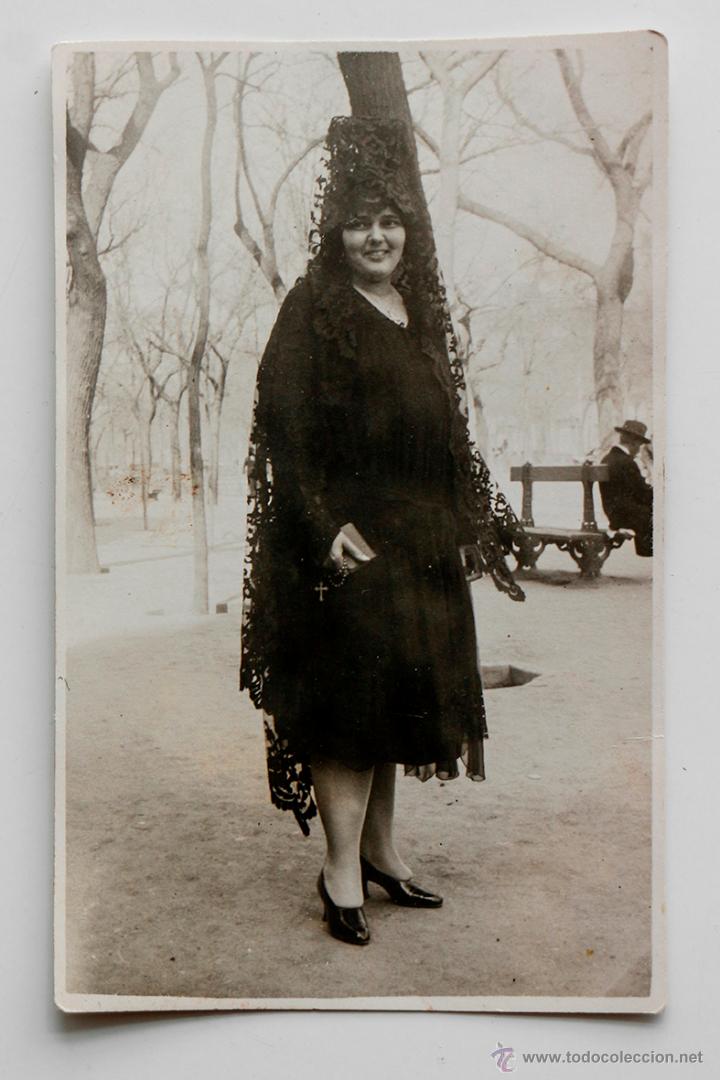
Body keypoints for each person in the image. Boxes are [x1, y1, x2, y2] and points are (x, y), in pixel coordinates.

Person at [240, 116, 524, 947]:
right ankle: (338, 870)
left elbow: (448, 428)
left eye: (390, 220)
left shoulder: (421, 308)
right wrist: (325, 526)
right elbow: (282, 430)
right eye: (360, 221)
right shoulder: (314, 308)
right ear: (337, 231)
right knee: (348, 708)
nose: (376, 235)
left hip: (422, 540)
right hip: (350, 545)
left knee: (396, 699)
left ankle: (382, 854)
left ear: (409, 231)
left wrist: (465, 521)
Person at [599, 419, 653, 557]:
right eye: (639, 445)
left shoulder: (608, 458)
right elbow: (643, 494)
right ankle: (647, 550)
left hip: (614, 513)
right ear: (633, 442)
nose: (639, 450)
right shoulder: (627, 462)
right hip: (626, 516)